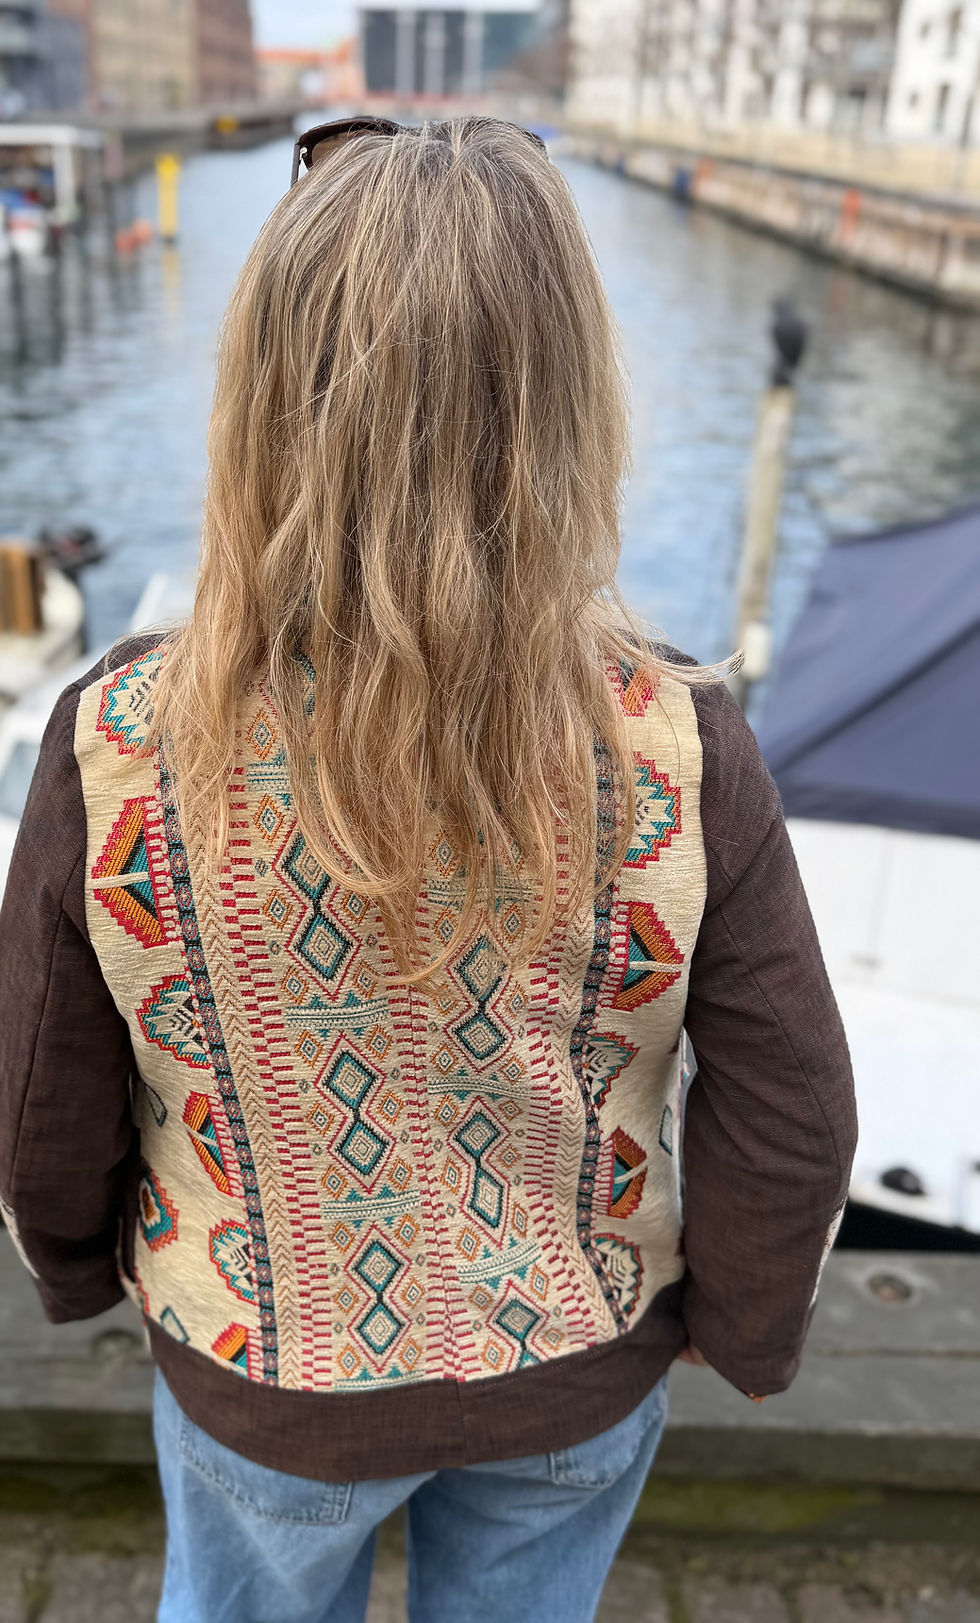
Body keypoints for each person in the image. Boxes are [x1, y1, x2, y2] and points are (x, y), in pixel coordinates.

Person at [0, 117, 856, 1623]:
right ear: (570, 400)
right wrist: (742, 1323)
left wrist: (78, 1270)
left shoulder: (119, 744)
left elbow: (37, 1093)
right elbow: (794, 1105)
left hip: (261, 1375)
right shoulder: (680, 745)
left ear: (263, 397)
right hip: (579, 1373)